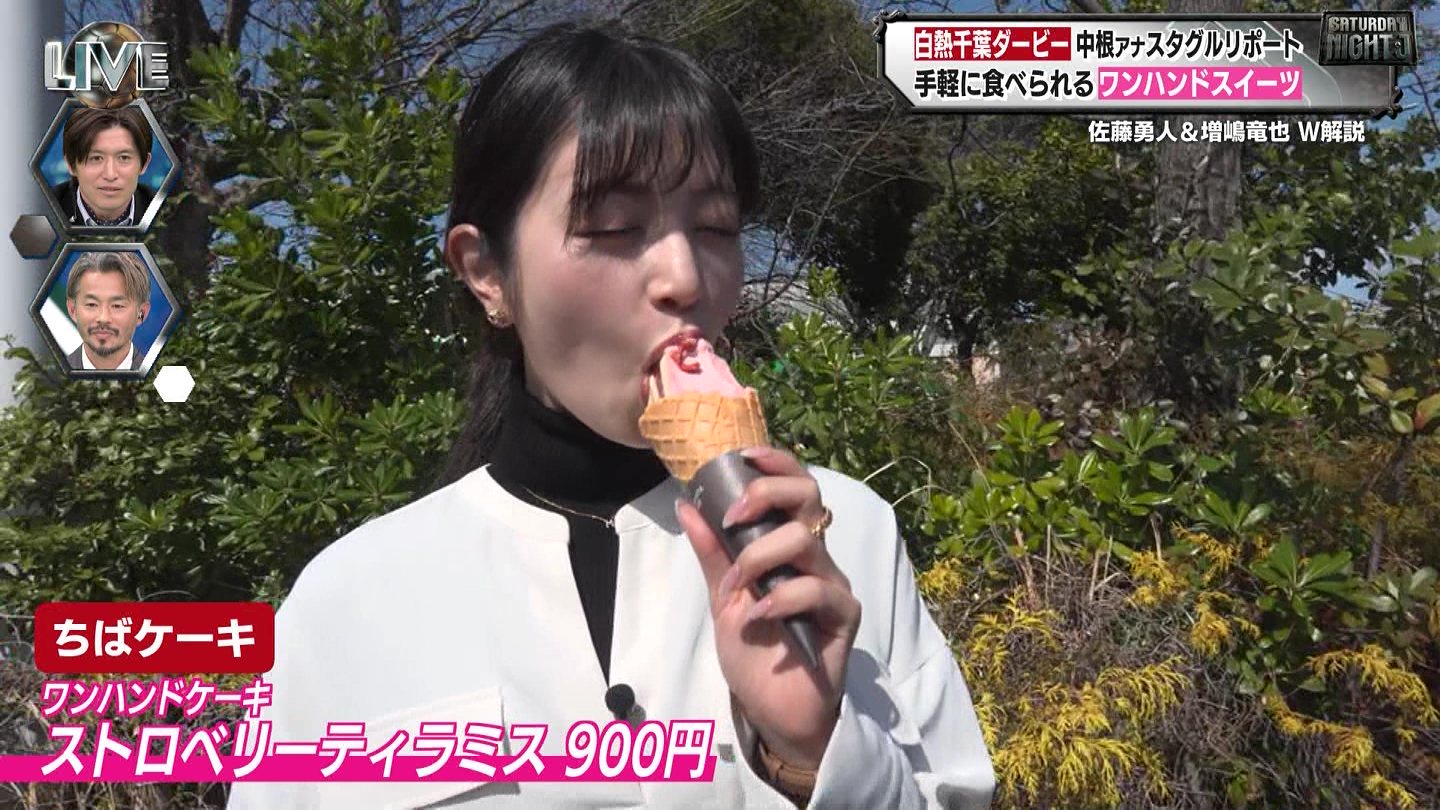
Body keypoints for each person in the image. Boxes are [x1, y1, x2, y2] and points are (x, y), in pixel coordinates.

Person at [226, 23, 993, 810]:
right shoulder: (351, 599)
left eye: (717, 227)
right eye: (615, 227)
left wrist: (810, 753)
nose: (684, 276)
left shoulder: (840, 540)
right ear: (486, 272)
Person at [53, 105, 155, 228]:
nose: (110, 175)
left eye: (124, 158)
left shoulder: (165, 209)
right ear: (71, 164)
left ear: (144, 164)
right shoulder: (46, 207)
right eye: (96, 158)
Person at [64, 251, 149, 371]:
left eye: (117, 306)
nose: (103, 318)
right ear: (73, 310)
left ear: (141, 314)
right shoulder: (51, 377)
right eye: (91, 304)